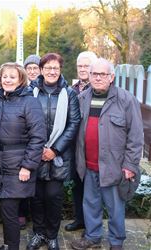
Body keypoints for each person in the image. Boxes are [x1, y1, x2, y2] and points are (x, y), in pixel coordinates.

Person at [71, 58, 143, 250]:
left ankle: (116, 241)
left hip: (115, 167)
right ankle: (92, 236)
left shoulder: (126, 100)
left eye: (103, 74)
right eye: (95, 74)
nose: (98, 78)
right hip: (88, 165)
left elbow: (136, 136)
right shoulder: (82, 99)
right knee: (90, 205)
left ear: (111, 77)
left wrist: (130, 165)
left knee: (115, 208)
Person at [0, 63, 46, 250]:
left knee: (9, 210)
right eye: (5, 76)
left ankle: (11, 246)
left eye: (12, 76)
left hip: (18, 164)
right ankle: (7, 244)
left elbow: (38, 137)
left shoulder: (30, 102)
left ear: (21, 79)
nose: (8, 80)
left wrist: (27, 166)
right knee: (5, 210)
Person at [27, 53, 80, 250]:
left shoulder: (69, 93)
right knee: (37, 198)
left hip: (59, 156)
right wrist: (38, 147)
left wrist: (55, 150)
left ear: (60, 71)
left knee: (54, 197)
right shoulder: (30, 91)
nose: (51, 71)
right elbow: (24, 121)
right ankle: (38, 233)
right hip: (35, 153)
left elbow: (74, 123)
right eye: (47, 68)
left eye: (55, 68)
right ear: (41, 70)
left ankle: (51, 235)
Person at [64, 51, 97, 233]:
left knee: (92, 190)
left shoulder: (100, 88)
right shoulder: (72, 90)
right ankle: (79, 219)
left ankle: (92, 225)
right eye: (80, 66)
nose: (83, 69)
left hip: (93, 148)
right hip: (75, 146)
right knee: (77, 185)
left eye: (86, 65)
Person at [18, 54, 41, 229]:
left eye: (35, 68)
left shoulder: (44, 87)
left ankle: (37, 215)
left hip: (40, 140)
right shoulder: (21, 88)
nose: (32, 71)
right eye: (29, 68)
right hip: (24, 141)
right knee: (23, 181)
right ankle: (22, 213)